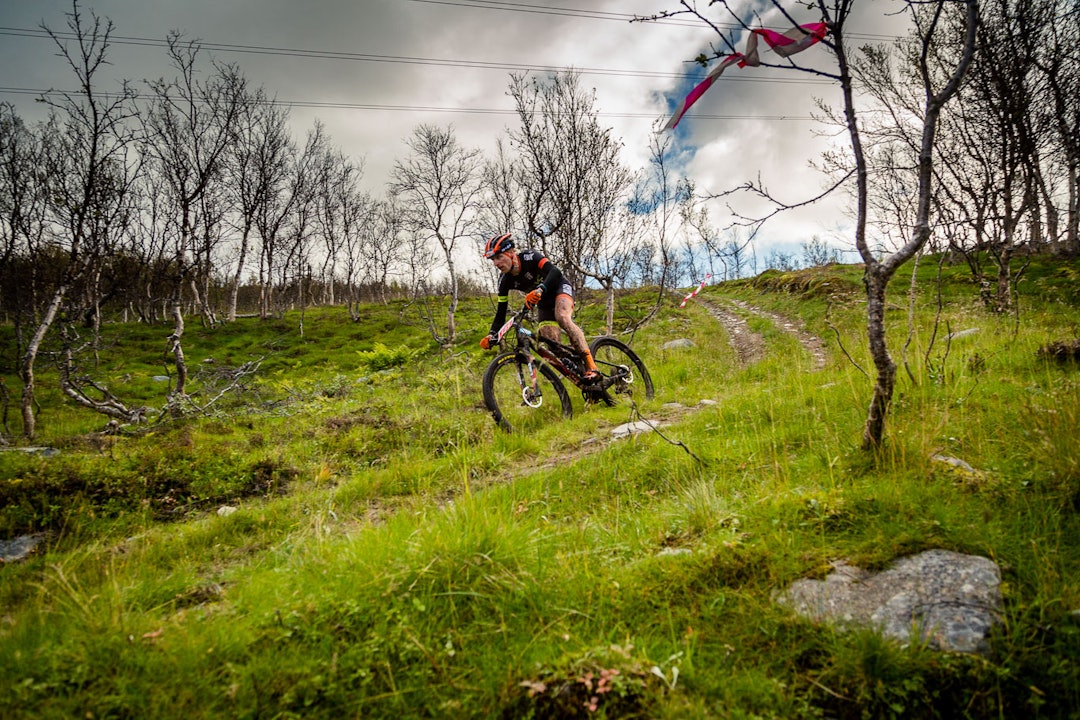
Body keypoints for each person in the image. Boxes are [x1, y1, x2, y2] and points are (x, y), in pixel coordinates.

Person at [479, 232, 600, 383]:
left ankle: (592, 366)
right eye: (493, 260)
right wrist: (492, 334)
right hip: (543, 303)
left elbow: (555, 272)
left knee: (562, 317)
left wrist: (540, 289)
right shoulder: (504, 281)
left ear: (511, 253)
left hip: (559, 289)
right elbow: (501, 312)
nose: (496, 263)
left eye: (498, 257)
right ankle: (585, 383)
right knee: (553, 347)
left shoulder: (529, 257)